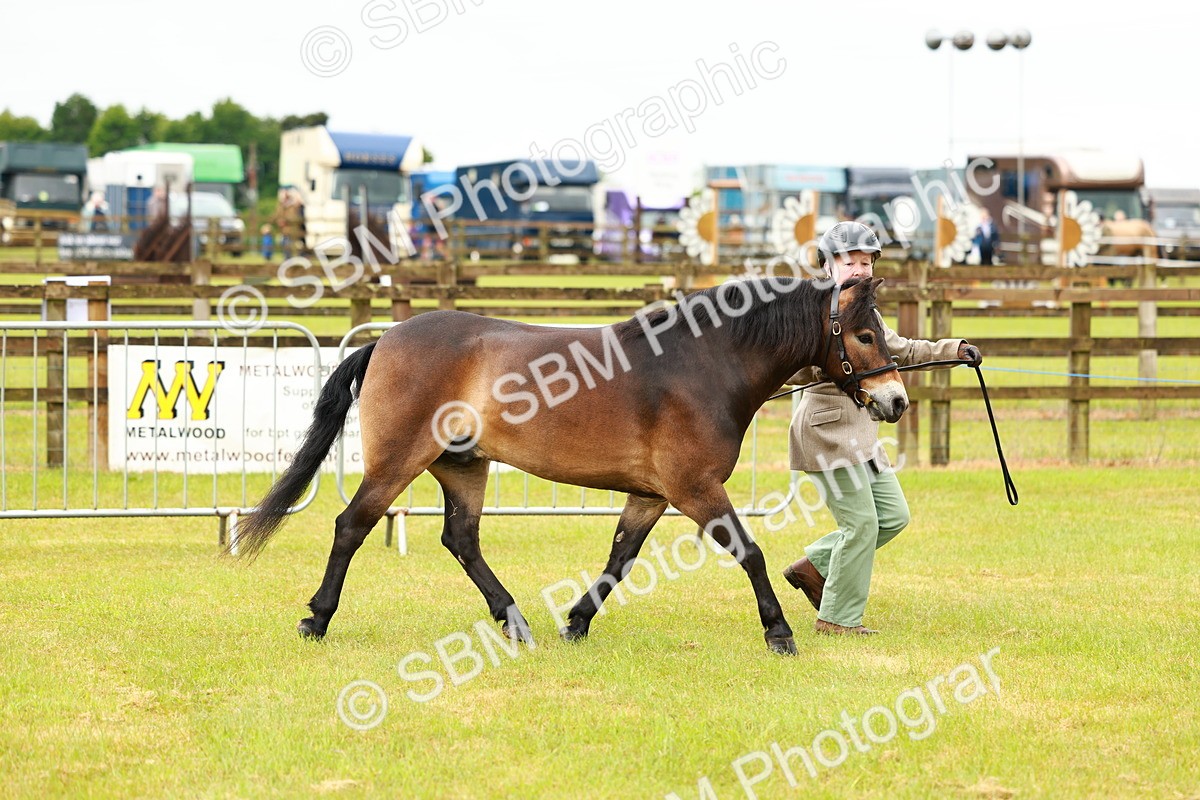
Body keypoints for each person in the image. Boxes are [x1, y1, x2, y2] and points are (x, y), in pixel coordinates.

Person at [780, 221, 982, 635]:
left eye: (866, 261)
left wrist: (952, 350)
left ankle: (815, 566)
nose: (859, 269)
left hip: (864, 434)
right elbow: (786, 365)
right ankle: (837, 620)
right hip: (827, 431)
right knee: (861, 525)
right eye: (849, 261)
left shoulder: (865, 309)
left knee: (893, 516)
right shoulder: (810, 309)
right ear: (829, 264)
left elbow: (900, 349)